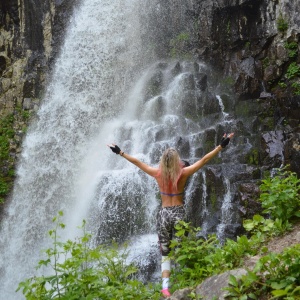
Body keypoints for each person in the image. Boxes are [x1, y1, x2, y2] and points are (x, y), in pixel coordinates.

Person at [108, 133, 234, 298]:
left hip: (164, 214)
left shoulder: (157, 173)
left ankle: (165, 288)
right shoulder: (183, 173)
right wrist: (221, 145)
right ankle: (188, 278)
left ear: (162, 161)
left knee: (165, 252)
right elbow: (203, 160)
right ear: (177, 161)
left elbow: (138, 162)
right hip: (179, 212)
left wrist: (120, 152)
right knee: (184, 246)